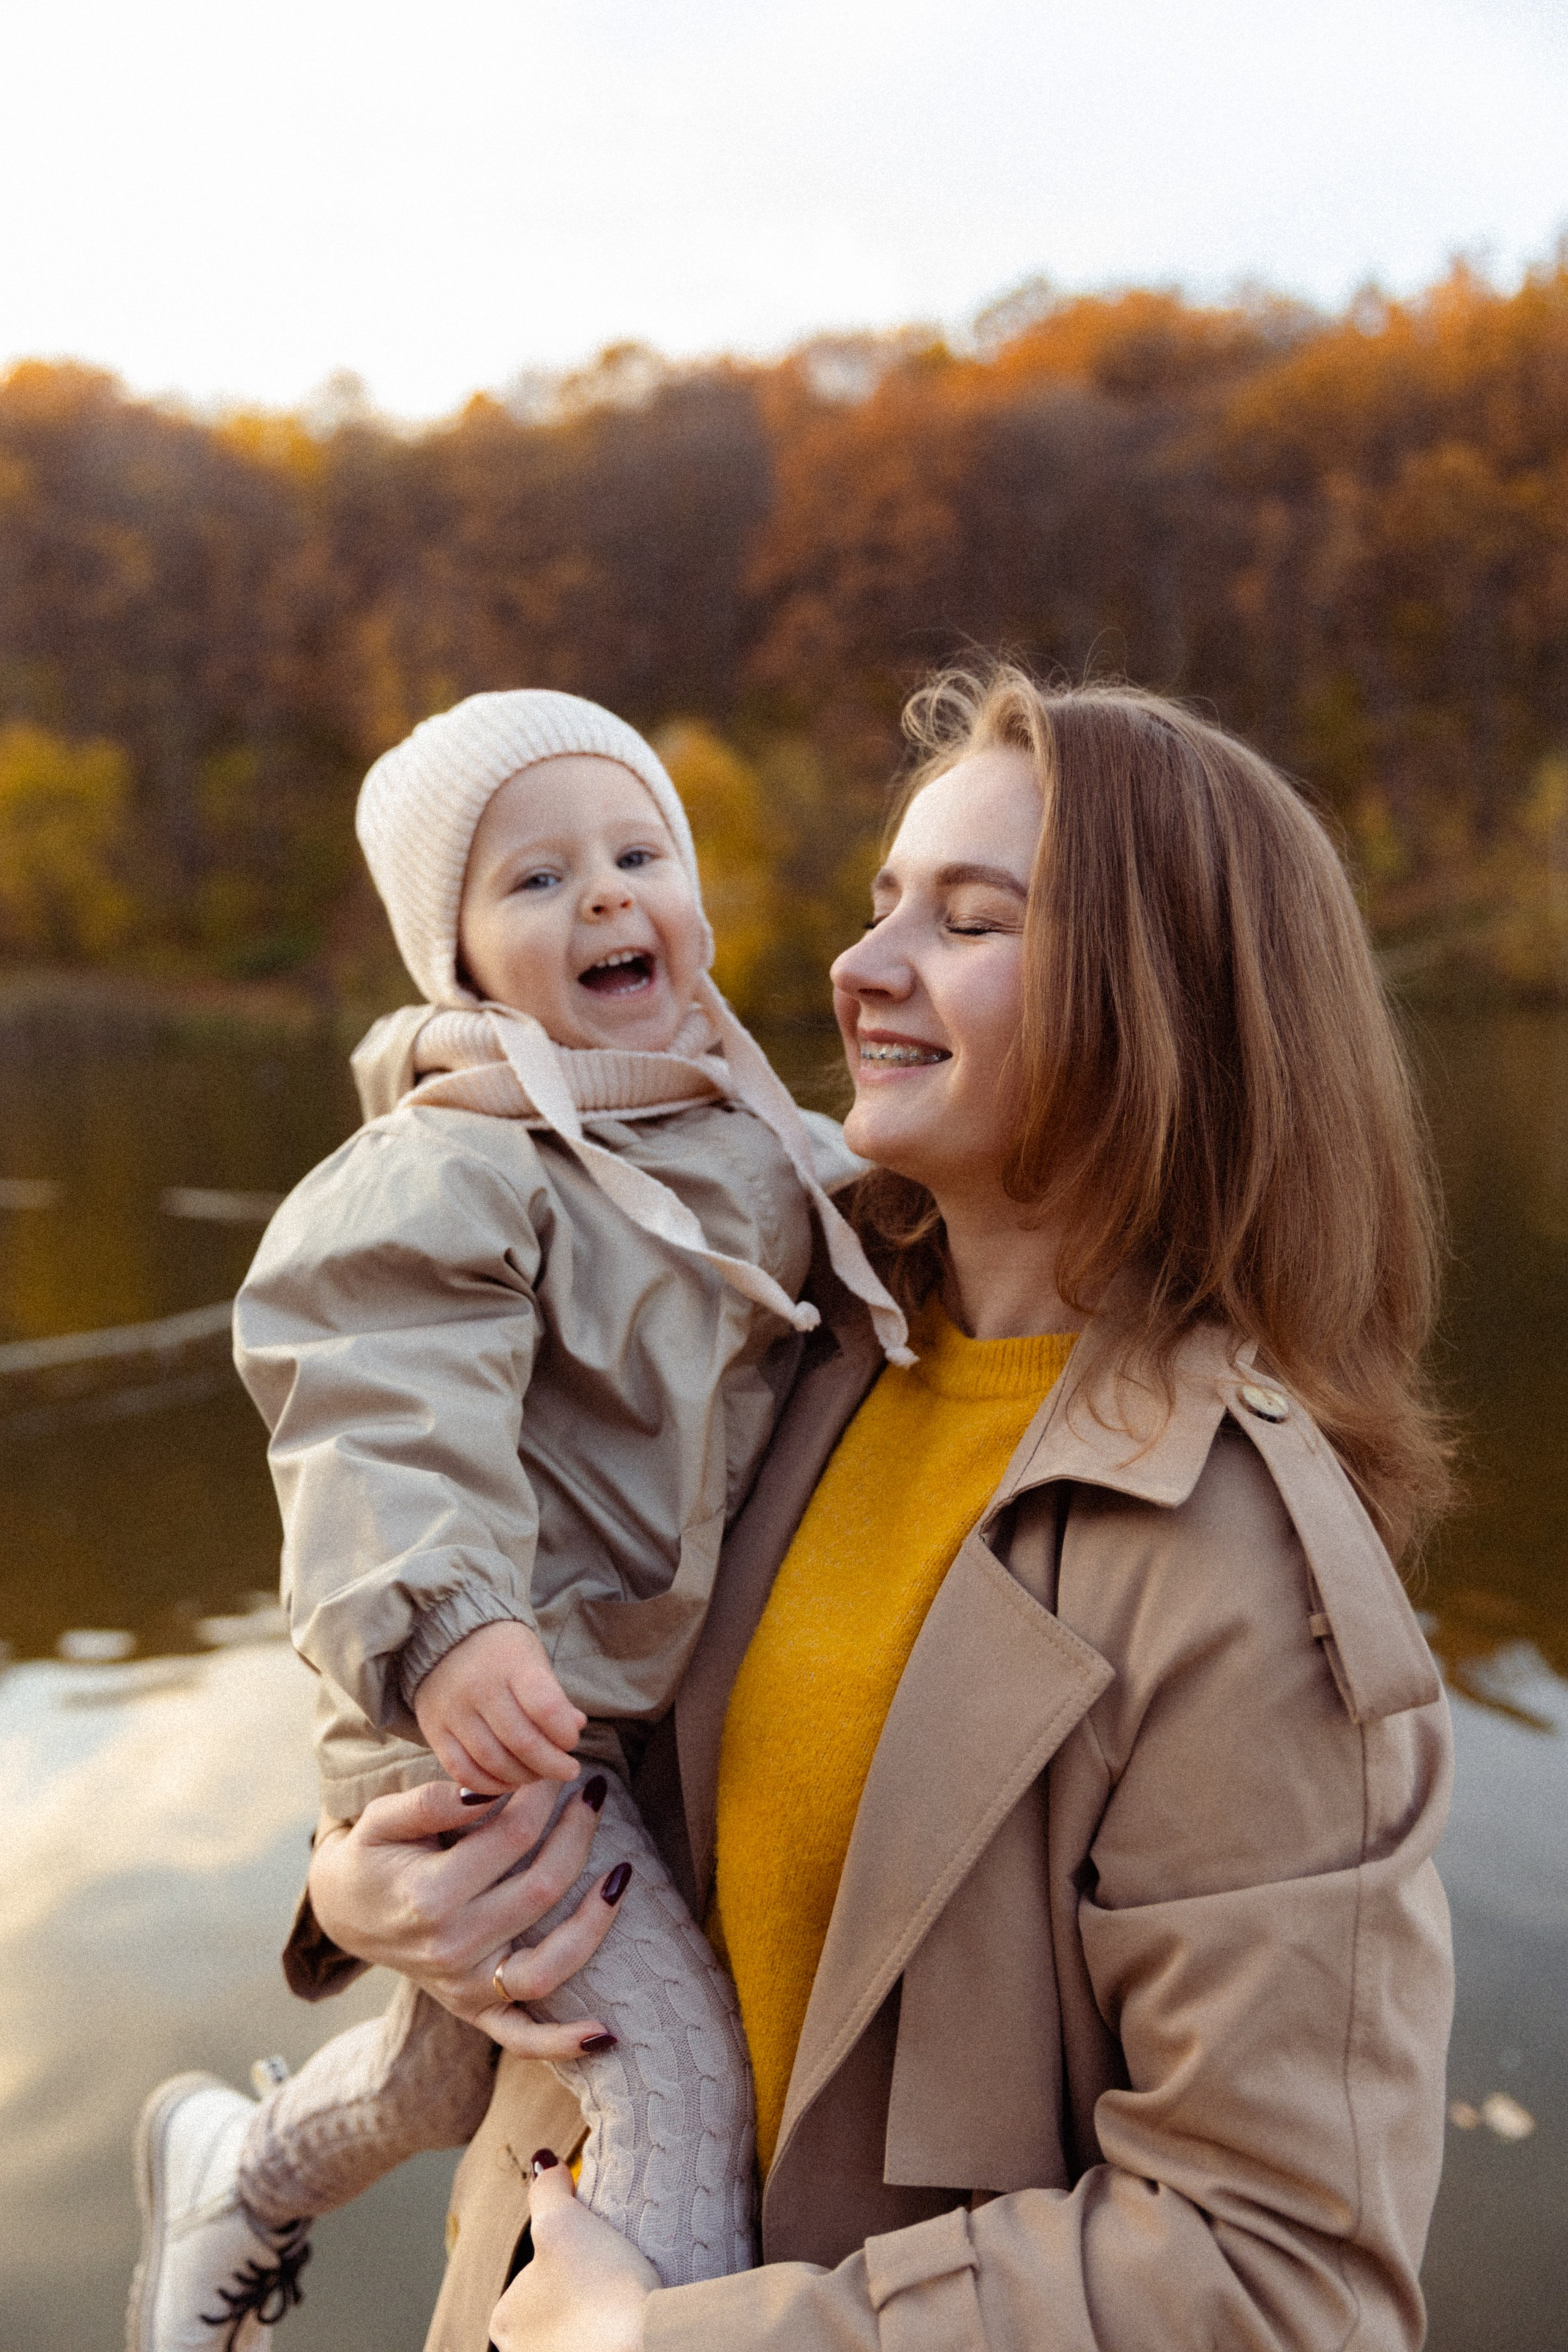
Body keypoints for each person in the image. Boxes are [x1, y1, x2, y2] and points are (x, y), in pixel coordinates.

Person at [295, 666, 1455, 2352]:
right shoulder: (778, 1327)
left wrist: (672, 2343)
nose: (858, 968)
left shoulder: (1247, 1576)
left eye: (969, 920)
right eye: (880, 902)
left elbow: (1279, 2279)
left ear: (1166, 1005)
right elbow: (436, 1536)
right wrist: (363, 1880)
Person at [126, 690, 913, 2352]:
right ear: (463, 958)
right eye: (538, 880)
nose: (609, 896)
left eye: (638, 852)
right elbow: (374, 1404)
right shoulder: (456, 1163)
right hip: (474, 1708)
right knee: (675, 2084)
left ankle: (234, 2171)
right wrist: (445, 1621)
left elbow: (895, 1220)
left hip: (605, 1703)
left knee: (443, 2062)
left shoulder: (743, 1128)